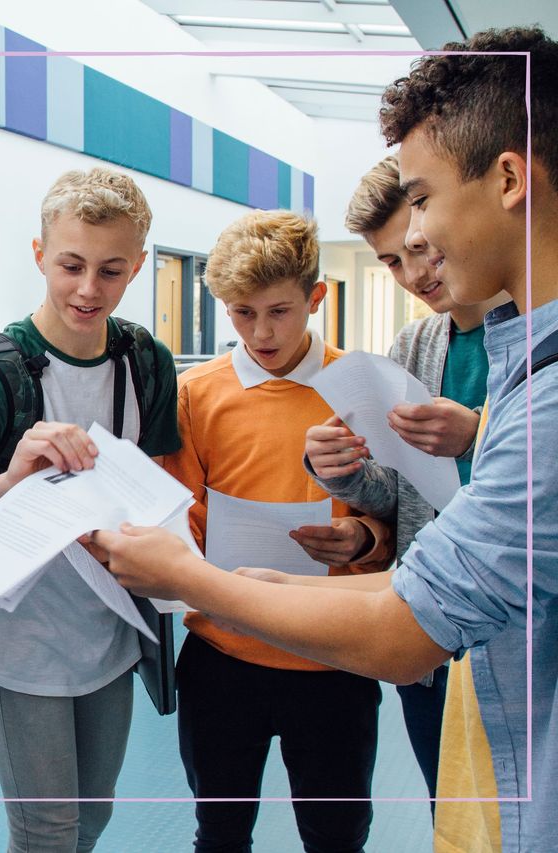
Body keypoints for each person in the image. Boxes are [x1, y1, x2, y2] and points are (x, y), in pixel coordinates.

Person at [93, 26, 558, 853]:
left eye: (420, 199)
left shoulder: (529, 394)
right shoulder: (519, 366)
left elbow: (409, 622)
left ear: (510, 179)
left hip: (382, 680)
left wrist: (207, 576)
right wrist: (244, 580)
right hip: (242, 657)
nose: (418, 247)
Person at [0, 167, 181, 852]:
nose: (88, 289)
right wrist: (14, 475)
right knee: (46, 835)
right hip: (24, 639)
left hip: (112, 630)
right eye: (70, 265)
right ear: (39, 254)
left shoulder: (146, 361)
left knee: (91, 821)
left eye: (111, 270)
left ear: (139, 266)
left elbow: (162, 487)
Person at [154, 209, 394, 853]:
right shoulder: (194, 394)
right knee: (221, 834)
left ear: (317, 297)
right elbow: (178, 523)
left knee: (337, 836)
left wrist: (365, 539)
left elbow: (409, 515)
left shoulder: (367, 386)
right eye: (240, 312)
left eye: (280, 311)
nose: (260, 332)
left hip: (336, 652)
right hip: (223, 657)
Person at [305, 155, 506, 802]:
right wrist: (342, 472)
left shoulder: (536, 335)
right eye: (391, 261)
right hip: (432, 645)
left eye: (419, 249)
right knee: (448, 816)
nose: (414, 274)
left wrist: (474, 433)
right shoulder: (415, 347)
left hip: (513, 640)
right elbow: (397, 496)